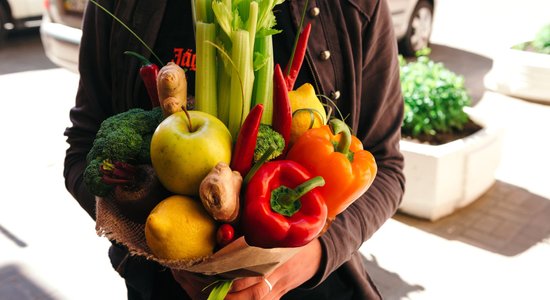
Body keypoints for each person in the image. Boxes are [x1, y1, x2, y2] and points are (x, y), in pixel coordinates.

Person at [63, 0, 405, 299]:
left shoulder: (355, 5)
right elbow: (82, 148)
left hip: (318, 289)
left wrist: (315, 255)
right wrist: (155, 252)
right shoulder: (117, 5)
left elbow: (385, 165)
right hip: (164, 289)